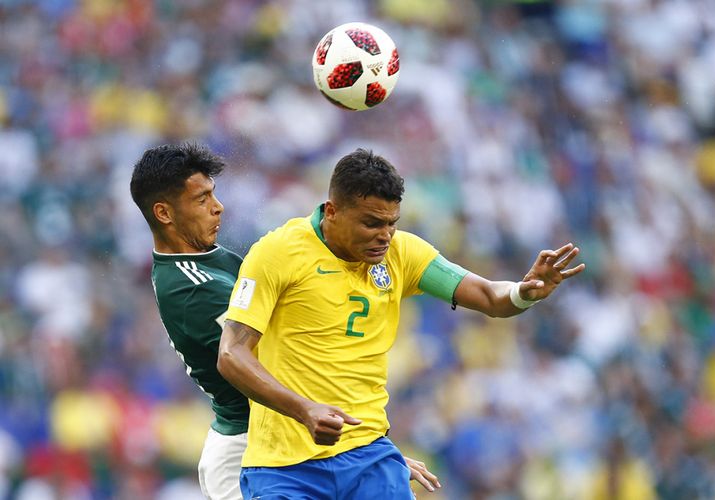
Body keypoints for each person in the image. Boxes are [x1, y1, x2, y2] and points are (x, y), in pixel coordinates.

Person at [218, 148, 586, 499]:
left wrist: (524, 292)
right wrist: (304, 409)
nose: (385, 236)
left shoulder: (402, 253)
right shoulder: (277, 252)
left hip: (368, 458)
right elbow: (232, 354)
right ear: (332, 211)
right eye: (371, 223)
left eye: (392, 223)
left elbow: (491, 297)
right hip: (283, 465)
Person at [129, 143, 441, 500]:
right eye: (201, 200)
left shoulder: (209, 261)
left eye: (213, 194)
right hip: (255, 447)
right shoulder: (192, 288)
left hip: (291, 443)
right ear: (164, 214)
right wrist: (373, 451)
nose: (218, 207)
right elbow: (283, 368)